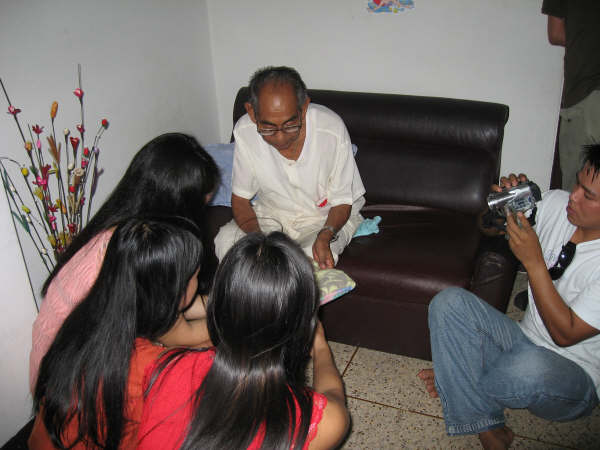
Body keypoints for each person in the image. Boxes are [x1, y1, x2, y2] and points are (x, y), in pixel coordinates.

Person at [418, 144, 600, 449]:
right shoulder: (556, 203)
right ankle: (477, 407)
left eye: (588, 196)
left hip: (573, 377)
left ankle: (459, 383)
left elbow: (565, 334)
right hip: (522, 340)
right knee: (448, 302)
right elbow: (486, 229)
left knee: (529, 366)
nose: (574, 196)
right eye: (578, 184)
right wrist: (499, 208)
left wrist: (534, 261)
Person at [29, 132, 219, 392]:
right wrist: (241, 314)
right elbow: (179, 332)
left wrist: (227, 300)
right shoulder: (136, 251)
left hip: (79, 360)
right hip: (68, 383)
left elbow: (179, 302)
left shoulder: (129, 230)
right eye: (201, 204)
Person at [137, 232, 350, 449]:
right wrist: (321, 348)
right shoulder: (320, 422)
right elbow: (333, 398)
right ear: (302, 325)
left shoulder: (165, 367)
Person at [29, 216, 208, 449]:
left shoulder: (98, 311)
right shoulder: (153, 369)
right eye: (195, 276)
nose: (199, 282)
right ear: (174, 290)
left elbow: (191, 310)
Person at [214, 66, 366, 270]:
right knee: (227, 241)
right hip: (272, 213)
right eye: (268, 128)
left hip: (326, 218)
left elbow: (342, 202)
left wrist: (325, 235)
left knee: (305, 262)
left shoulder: (331, 129)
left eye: (290, 125)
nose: (280, 137)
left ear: (304, 108)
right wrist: (258, 240)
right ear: (251, 112)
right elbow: (240, 198)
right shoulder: (244, 131)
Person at [542, 0, 600, 190]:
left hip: (584, 91)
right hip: (584, 92)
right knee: (578, 190)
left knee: (575, 189)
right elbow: (556, 34)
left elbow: (556, 33)